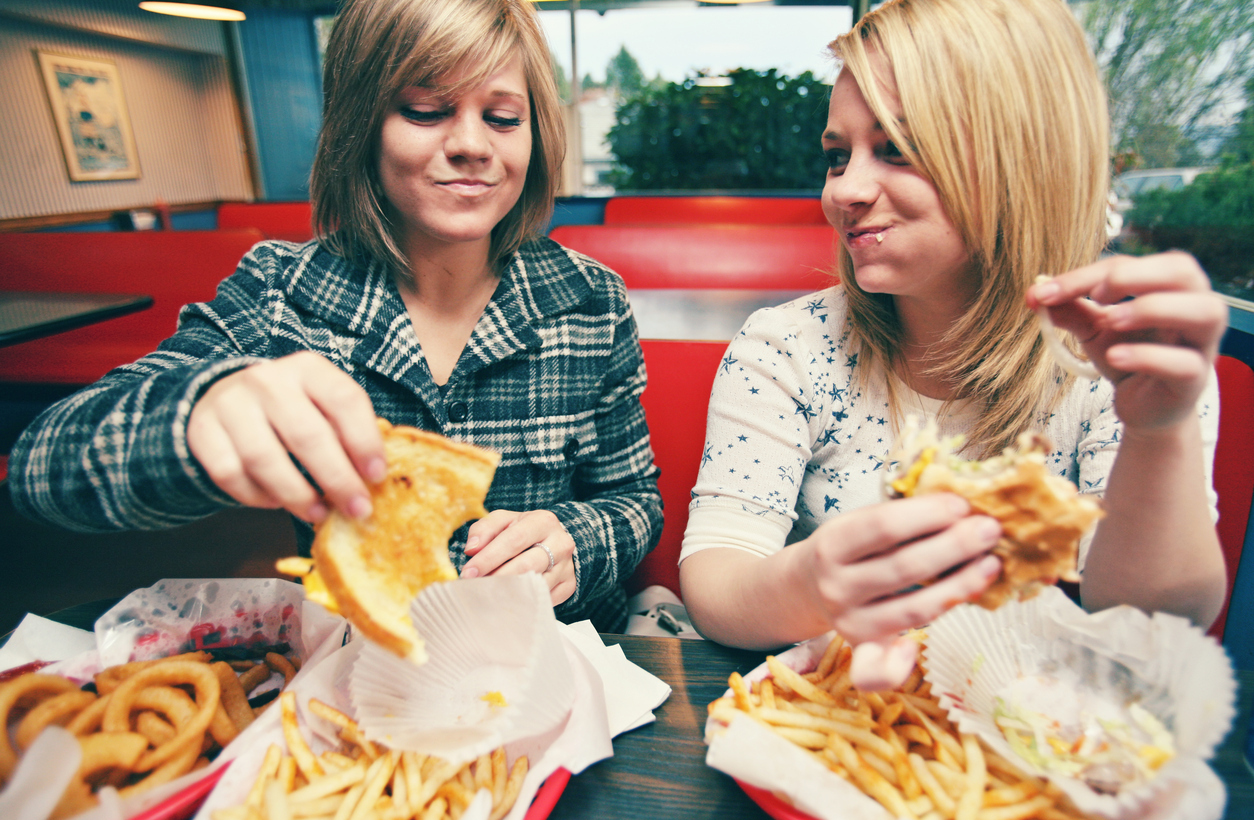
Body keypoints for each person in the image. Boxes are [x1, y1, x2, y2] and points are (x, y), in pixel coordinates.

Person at [8, 0, 662, 633]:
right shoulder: (277, 293)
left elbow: (634, 499)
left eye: (503, 118)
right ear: (363, 121)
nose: (471, 144)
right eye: (426, 110)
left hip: (557, 660)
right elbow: (44, 469)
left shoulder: (591, 302)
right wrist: (196, 416)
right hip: (357, 671)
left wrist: (576, 542)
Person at [678, 0, 1227, 687]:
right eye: (835, 155)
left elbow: (1156, 626)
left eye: (896, 150)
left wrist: (1158, 433)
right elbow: (717, 577)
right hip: (830, 723)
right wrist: (814, 581)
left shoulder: (1120, 365)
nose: (845, 189)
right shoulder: (786, 346)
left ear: (1022, 160)